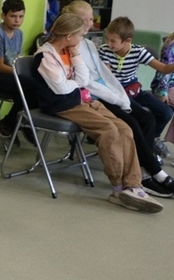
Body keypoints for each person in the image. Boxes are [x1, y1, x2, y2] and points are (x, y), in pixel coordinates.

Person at [33, 13, 163, 213]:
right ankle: (118, 189)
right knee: (109, 131)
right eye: (80, 35)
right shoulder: (44, 56)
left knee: (125, 128)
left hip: (82, 99)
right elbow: (60, 89)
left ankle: (134, 185)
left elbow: (84, 80)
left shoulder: (70, 51)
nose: (82, 39)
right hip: (63, 105)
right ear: (69, 36)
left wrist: (76, 60)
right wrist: (75, 82)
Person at [65, 1, 174, 197]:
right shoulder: (80, 46)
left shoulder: (88, 44)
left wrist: (116, 93)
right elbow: (91, 79)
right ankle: (153, 173)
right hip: (96, 96)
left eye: (91, 18)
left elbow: (103, 76)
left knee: (148, 119)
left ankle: (145, 168)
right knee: (131, 124)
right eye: (87, 19)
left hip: (113, 92)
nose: (92, 23)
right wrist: (114, 93)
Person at [98, 16, 174, 153]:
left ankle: (152, 139)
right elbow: (108, 77)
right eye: (107, 39)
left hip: (134, 90)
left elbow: (163, 68)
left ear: (128, 41)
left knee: (166, 112)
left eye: (113, 41)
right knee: (145, 118)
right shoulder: (104, 51)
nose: (108, 43)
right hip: (117, 93)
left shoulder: (138, 51)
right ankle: (145, 147)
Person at [0, 0, 40, 140]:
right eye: (13, 16)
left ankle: (13, 123)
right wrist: (19, 73)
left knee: (34, 87)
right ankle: (16, 123)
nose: (17, 20)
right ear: (3, 16)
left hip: (10, 73)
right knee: (32, 87)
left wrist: (22, 72)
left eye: (21, 16)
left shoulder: (19, 33)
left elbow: (16, 59)